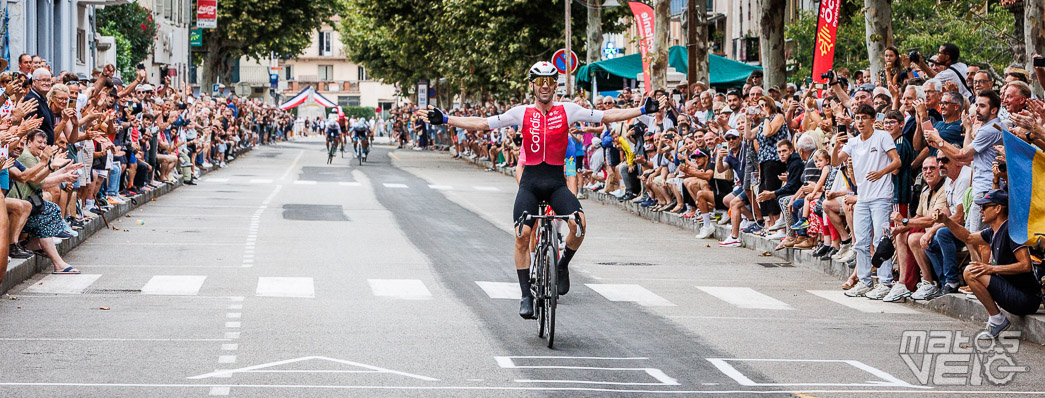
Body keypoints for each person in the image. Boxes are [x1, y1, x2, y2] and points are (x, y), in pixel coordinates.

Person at [415, 61, 666, 319]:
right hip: (531, 184)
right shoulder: (520, 112)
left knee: (579, 225)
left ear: (555, 85)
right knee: (522, 235)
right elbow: (482, 124)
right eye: (540, 82)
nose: (545, 87)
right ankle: (526, 296)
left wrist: (641, 109)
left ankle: (563, 265)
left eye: (550, 82)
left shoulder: (568, 110)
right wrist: (445, 119)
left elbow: (607, 116)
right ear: (532, 85)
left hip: (556, 183)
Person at [933, 190, 1041, 339]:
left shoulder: (1011, 231)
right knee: (972, 270)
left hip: (1026, 299)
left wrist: (991, 268)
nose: (981, 210)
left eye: (985, 207)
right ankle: (996, 318)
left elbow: (1025, 265)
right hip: (1013, 291)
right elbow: (968, 237)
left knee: (971, 272)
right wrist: (946, 220)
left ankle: (997, 320)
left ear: (998, 209)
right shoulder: (993, 231)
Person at [833, 104, 901, 299]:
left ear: (872, 119)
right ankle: (864, 281)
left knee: (881, 239)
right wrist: (836, 146)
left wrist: (881, 172)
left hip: (881, 197)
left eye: (864, 117)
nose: (860, 121)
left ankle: (885, 281)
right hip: (862, 198)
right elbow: (835, 162)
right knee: (861, 241)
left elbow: (897, 161)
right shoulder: (853, 142)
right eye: (857, 118)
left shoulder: (882, 136)